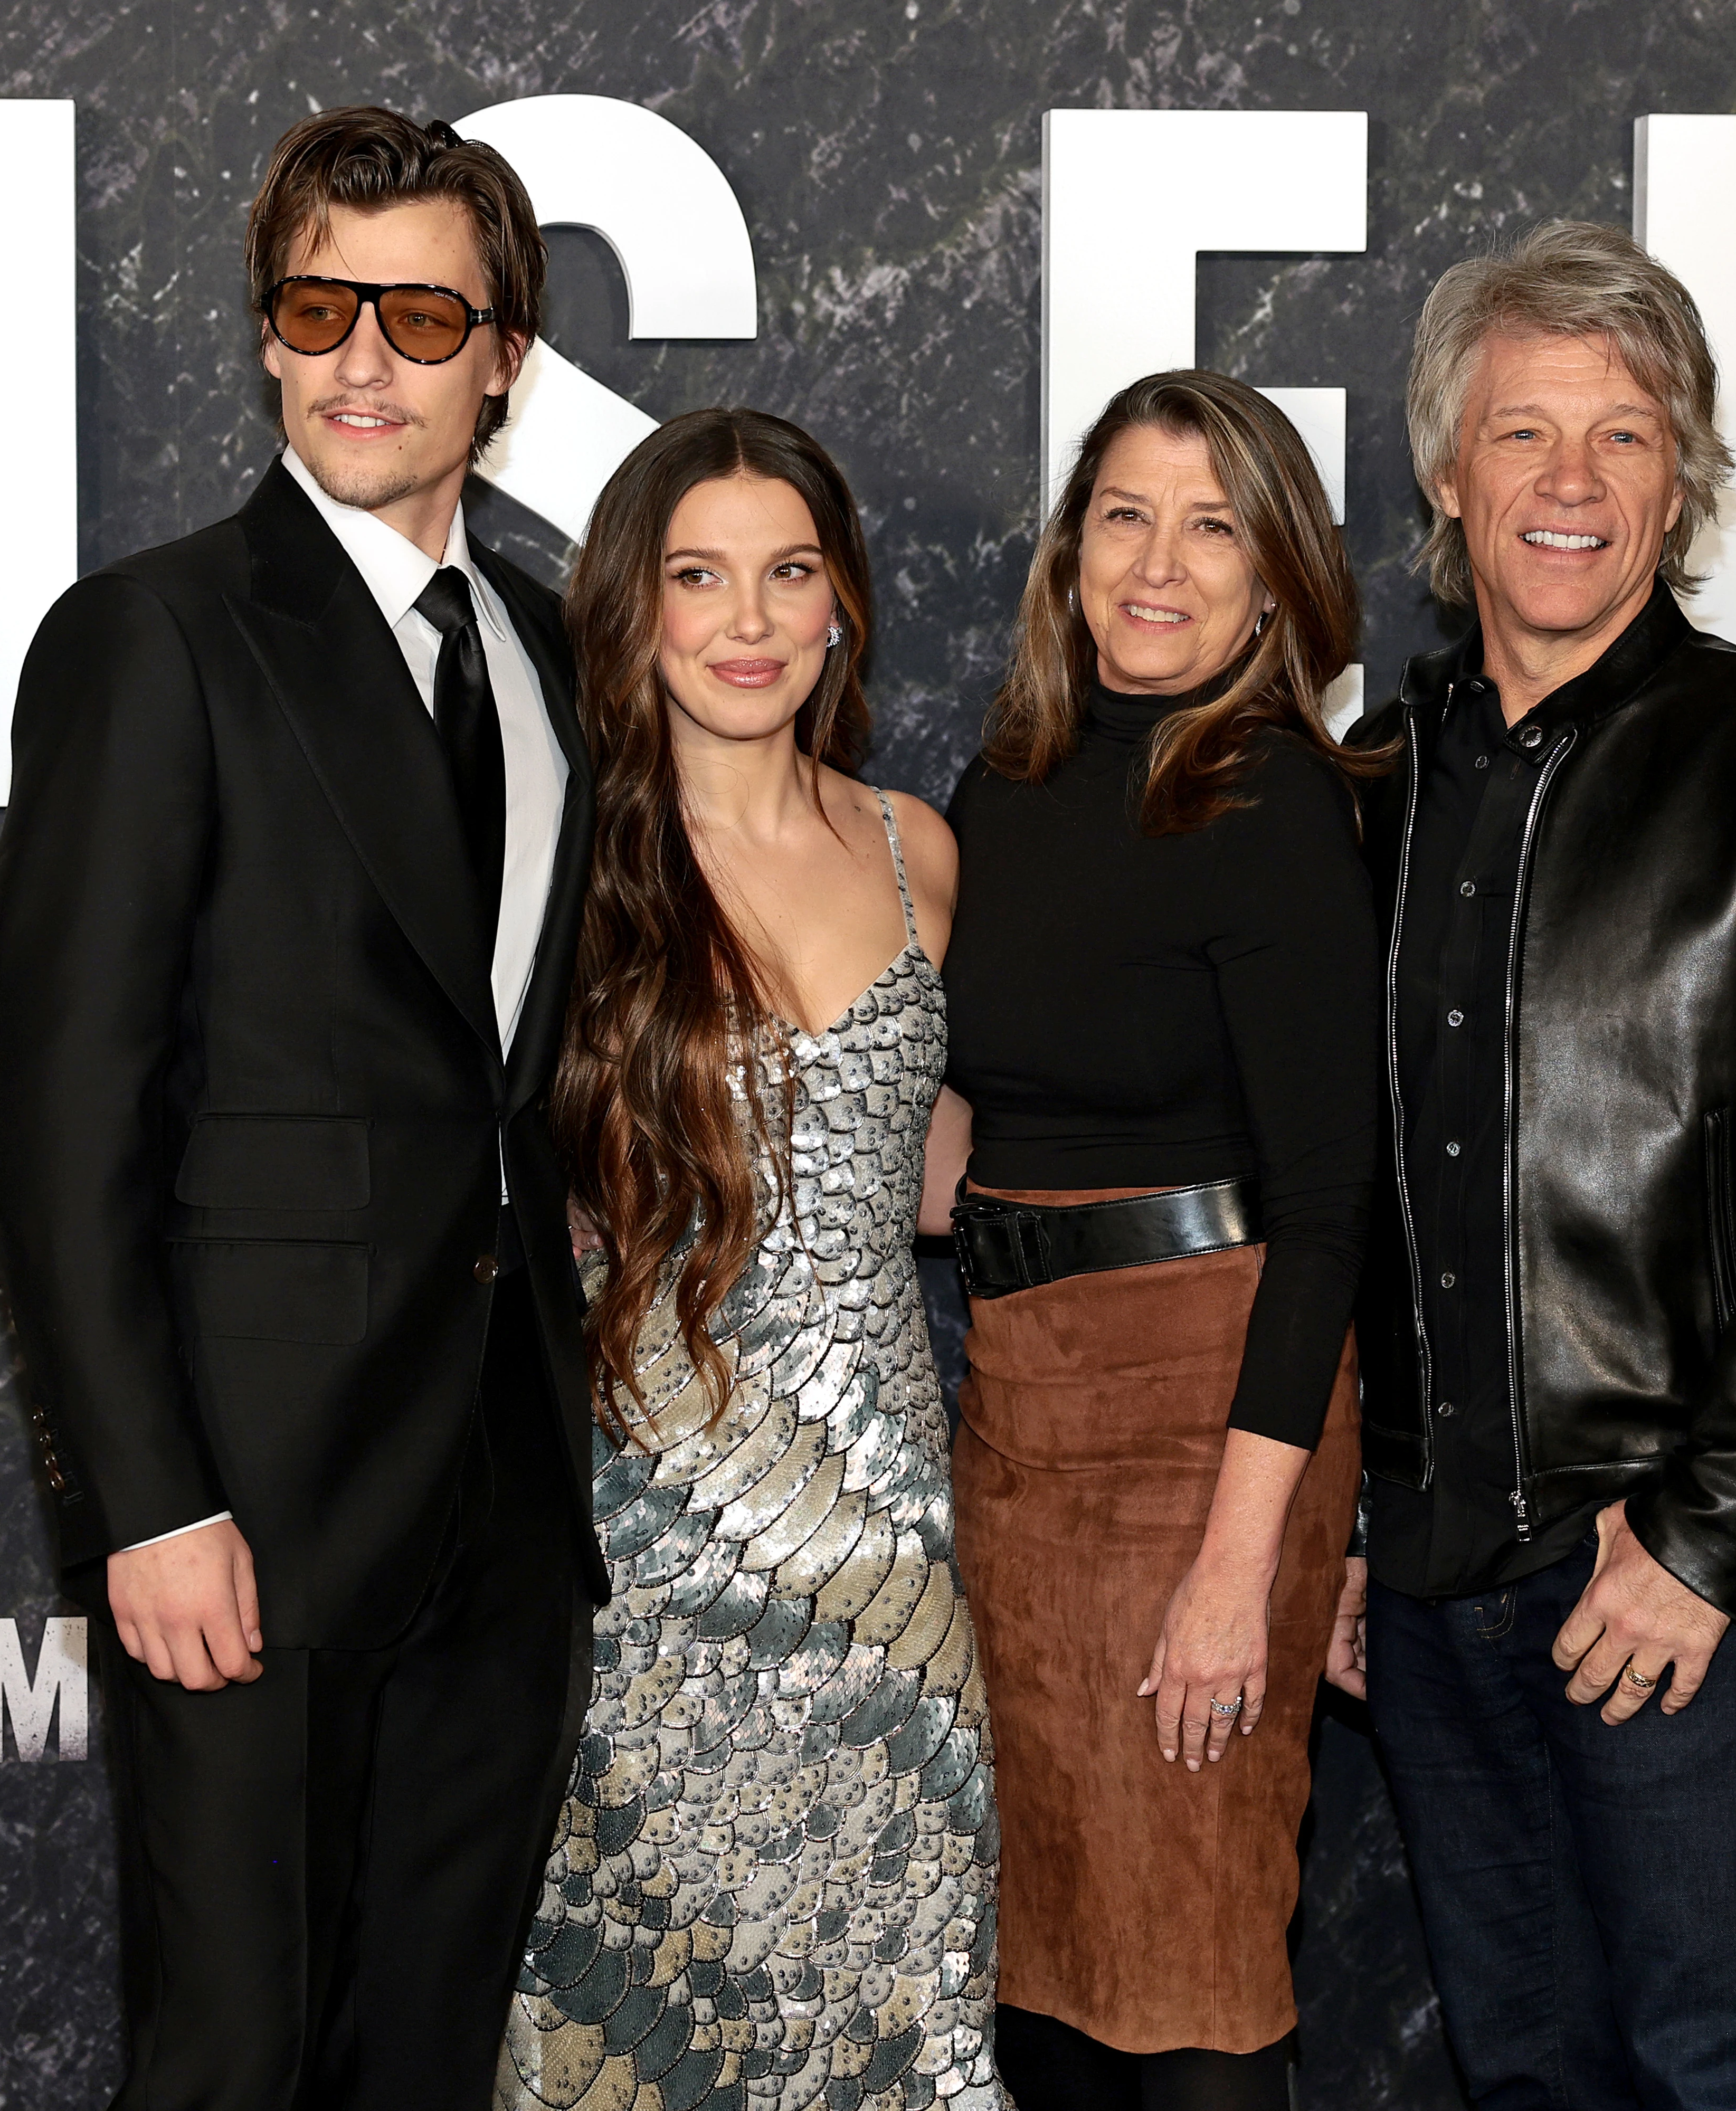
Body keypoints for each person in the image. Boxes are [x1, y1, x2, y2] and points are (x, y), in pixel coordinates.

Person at [0, 108, 599, 2110]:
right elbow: (63, 1127)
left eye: (422, 316)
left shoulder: (546, 650)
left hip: (497, 1509)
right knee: (233, 2066)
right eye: (320, 305)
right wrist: (146, 1501)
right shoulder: (155, 636)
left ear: (505, 357)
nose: (362, 358)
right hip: (247, 1504)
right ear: (263, 332)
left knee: (422, 2062)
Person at [1327, 220, 1736, 2110]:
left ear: (1682, 479)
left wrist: (1696, 1547)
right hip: (1431, 1587)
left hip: (1675, 1573)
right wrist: (1345, 1528)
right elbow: (1325, 1195)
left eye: (1625, 436)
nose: (1573, 484)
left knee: (1723, 2073)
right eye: (1525, 434)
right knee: (1528, 2077)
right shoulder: (1369, 780)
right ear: (1449, 475)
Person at [495, 407, 997, 2109]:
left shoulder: (919, 851)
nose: (750, 620)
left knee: (890, 2014)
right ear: (634, 612)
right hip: (650, 1558)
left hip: (890, 1565)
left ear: (843, 603)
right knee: (645, 2023)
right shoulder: (563, 867)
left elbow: (924, 1164)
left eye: (789, 573)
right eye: (698, 577)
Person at [941, 370, 1382, 2104]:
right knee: (1042, 1973)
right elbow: (978, 1122)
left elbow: (1329, 1215)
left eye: (1216, 529)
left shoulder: (1269, 802)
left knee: (1187, 1971)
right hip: (1014, 1411)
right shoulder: (1011, 783)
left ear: (1275, 584)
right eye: (1126, 514)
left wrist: (1238, 1569)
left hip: (1202, 1417)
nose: (1160, 566)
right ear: (1069, 553)